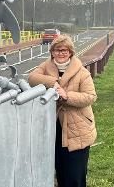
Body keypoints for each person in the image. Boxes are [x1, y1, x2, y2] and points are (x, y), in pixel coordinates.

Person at [28, 34, 97, 187]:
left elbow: (90, 97)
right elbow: (32, 78)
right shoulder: (46, 67)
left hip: (76, 128)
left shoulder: (81, 72)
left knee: (74, 175)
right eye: (57, 50)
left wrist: (67, 96)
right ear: (52, 52)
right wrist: (53, 83)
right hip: (53, 128)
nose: (61, 53)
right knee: (60, 172)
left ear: (70, 52)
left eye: (64, 50)